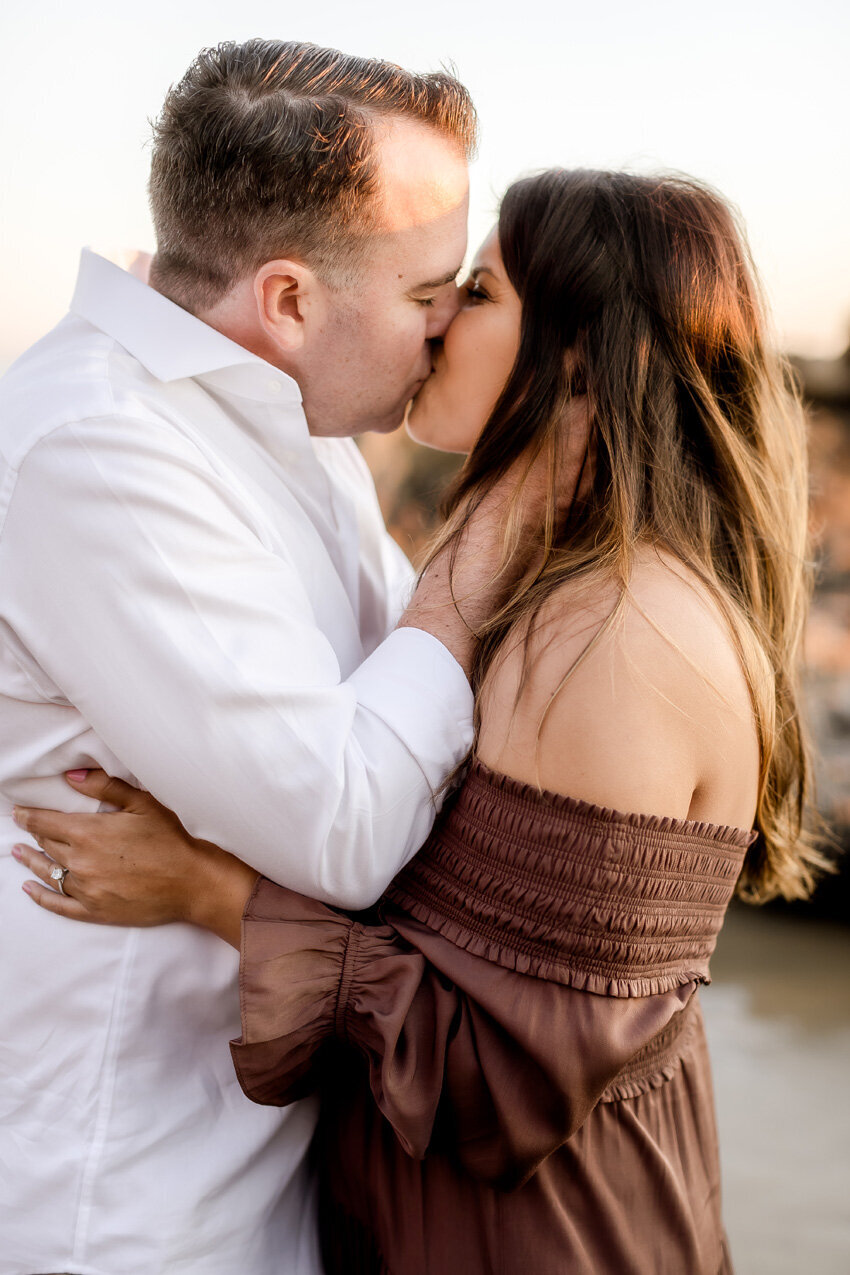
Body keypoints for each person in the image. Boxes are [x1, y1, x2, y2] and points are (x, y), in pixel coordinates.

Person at [14, 170, 829, 1273]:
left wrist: (208, 889)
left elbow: (508, 1072)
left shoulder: (613, 629)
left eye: (479, 292)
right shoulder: (552, 587)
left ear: (583, 356)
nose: (439, 320)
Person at [0, 38, 523, 1275]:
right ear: (288, 301)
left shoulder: (291, 423)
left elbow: (429, 709)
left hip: (260, 1172)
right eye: (424, 292)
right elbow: (344, 818)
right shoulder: (97, 451)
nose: (447, 327)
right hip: (123, 1203)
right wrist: (494, 534)